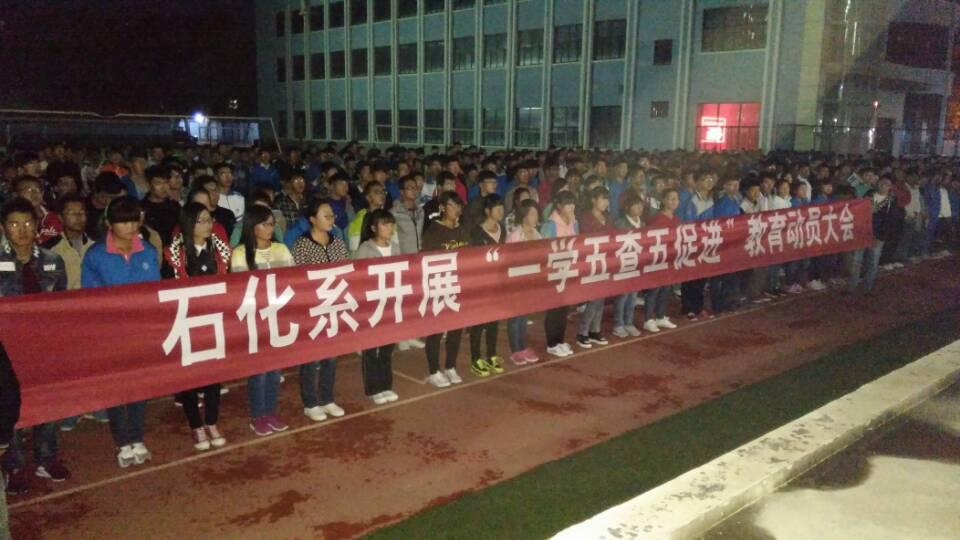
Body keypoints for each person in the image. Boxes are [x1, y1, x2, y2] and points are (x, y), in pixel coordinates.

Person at [81, 196, 161, 467]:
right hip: (110, 333)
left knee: (139, 386)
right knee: (116, 388)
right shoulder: (96, 255)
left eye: (133, 221)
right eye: (123, 222)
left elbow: (155, 292)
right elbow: (91, 299)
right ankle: (122, 441)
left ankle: (137, 437)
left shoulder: (147, 250)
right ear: (109, 223)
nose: (130, 227)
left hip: (142, 331)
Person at [0, 198, 71, 491]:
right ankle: (14, 465)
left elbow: (62, 303)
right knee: (9, 403)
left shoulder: (53, 261)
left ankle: (47, 457)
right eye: (14, 224)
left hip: (45, 346)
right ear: (4, 228)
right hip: (7, 348)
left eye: (28, 223)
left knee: (49, 400)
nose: (22, 230)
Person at [164, 203, 231, 451]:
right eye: (201, 221)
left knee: (213, 373)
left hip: (214, 319)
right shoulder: (174, 252)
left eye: (209, 220)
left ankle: (212, 422)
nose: (207, 225)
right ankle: (196, 425)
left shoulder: (220, 249)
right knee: (190, 375)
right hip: (186, 320)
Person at [231, 206, 293, 436]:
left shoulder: (281, 249)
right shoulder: (240, 253)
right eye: (264, 224)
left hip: (278, 317)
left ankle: (270, 412)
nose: (270, 228)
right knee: (259, 372)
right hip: (254, 320)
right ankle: (258, 416)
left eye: (271, 224)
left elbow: (293, 280)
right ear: (252, 226)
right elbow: (240, 290)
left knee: (275, 371)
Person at [291, 198, 349, 420]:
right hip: (311, 308)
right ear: (312, 219)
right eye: (326, 216)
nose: (331, 219)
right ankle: (310, 402)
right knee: (311, 357)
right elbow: (296, 279)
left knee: (330, 357)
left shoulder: (338, 242)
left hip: (333, 305)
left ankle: (327, 398)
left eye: (332, 215)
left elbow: (347, 271)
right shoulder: (302, 245)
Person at [353, 209, 402, 404]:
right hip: (372, 306)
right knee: (372, 349)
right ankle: (373, 389)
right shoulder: (365, 250)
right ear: (373, 228)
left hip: (390, 305)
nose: (389, 228)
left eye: (391, 224)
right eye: (384, 224)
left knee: (388, 347)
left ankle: (386, 385)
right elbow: (358, 278)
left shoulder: (395, 248)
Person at [422, 191, 469, 388]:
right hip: (439, 286)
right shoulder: (433, 232)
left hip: (458, 285)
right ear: (442, 208)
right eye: (452, 205)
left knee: (456, 328)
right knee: (435, 329)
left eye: (459, 205)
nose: (456, 209)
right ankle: (434, 370)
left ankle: (450, 365)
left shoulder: (462, 230)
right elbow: (427, 261)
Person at [468, 195, 506, 377]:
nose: (501, 212)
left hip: (497, 283)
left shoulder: (502, 229)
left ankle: (491, 354)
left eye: (502, 208)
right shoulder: (476, 233)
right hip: (480, 284)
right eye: (497, 209)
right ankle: (476, 358)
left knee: (493, 322)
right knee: (478, 322)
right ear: (487, 211)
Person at [389, 175, 427, 352]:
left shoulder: (420, 211)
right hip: (402, 261)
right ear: (402, 192)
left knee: (414, 299)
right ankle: (400, 336)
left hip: (417, 261)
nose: (413, 191)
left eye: (415, 187)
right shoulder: (394, 213)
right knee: (401, 300)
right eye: (409, 188)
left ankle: (412, 334)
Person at [540, 190, 579, 357]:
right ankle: (552, 343)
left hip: (568, 269)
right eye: (568, 204)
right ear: (558, 206)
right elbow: (544, 249)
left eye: (573, 203)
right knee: (554, 308)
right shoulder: (550, 225)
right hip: (554, 271)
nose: (571, 207)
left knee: (564, 307)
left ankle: (560, 340)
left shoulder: (574, 222)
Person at [505, 199, 541, 366]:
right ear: (524, 215)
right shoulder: (515, 236)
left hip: (530, 281)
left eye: (536, 213)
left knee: (524, 316)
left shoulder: (537, 234)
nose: (535, 217)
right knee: (515, 317)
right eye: (532, 214)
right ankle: (515, 350)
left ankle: (523, 346)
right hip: (516, 282)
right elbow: (508, 260)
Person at [575, 186, 612, 348]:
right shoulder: (585, 218)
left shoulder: (607, 217)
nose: (606, 202)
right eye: (603, 198)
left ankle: (595, 330)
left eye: (607, 199)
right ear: (593, 200)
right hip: (591, 261)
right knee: (594, 297)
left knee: (601, 297)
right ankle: (583, 332)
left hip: (605, 260)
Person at [642, 189, 680, 333]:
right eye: (671, 198)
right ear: (663, 200)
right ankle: (648, 319)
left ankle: (660, 316)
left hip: (670, 258)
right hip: (658, 258)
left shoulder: (676, 219)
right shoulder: (657, 219)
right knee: (654, 289)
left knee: (666, 288)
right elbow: (650, 239)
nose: (674, 201)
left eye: (676, 198)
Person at [611, 192, 645, 338]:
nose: (639, 208)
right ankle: (618, 324)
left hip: (636, 263)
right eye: (636, 205)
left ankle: (629, 322)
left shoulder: (642, 224)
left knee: (633, 295)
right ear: (627, 207)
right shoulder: (620, 224)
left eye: (641, 205)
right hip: (623, 264)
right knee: (623, 295)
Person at [11, 176, 62, 247]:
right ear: (15, 195)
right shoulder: (9, 221)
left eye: (38, 189)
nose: (34, 193)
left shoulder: (56, 217)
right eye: (28, 190)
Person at [141, 165, 181, 246]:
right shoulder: (141, 208)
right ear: (148, 184)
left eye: (166, 182)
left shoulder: (175, 206)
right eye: (158, 183)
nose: (164, 187)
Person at [347, 181, 387, 253]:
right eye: (376, 192)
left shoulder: (388, 215)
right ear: (368, 197)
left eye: (383, 191)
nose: (382, 194)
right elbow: (355, 248)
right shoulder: (360, 218)